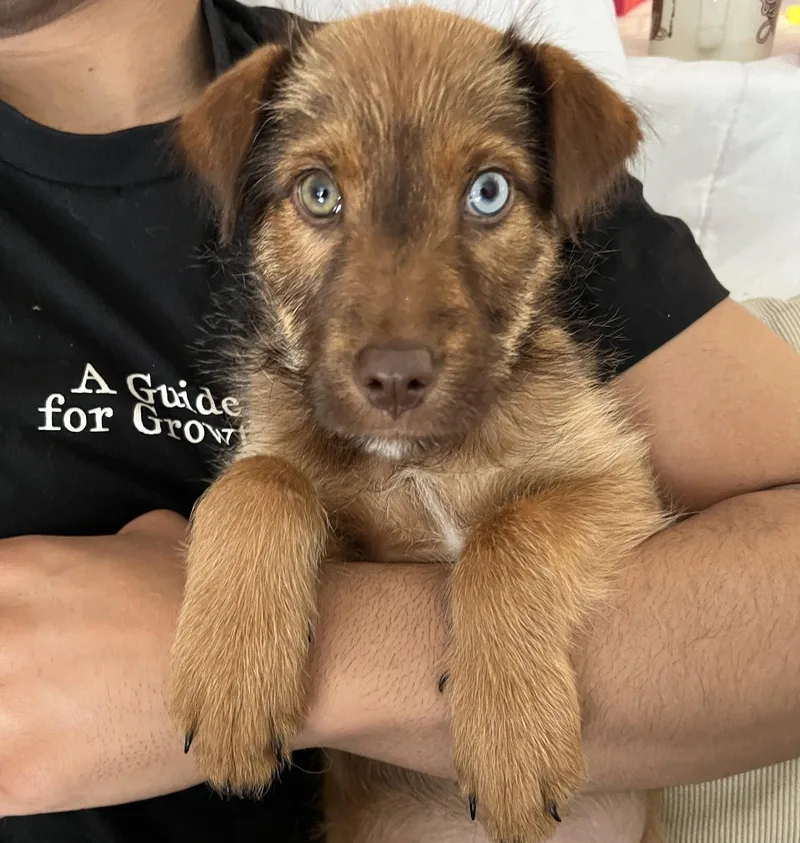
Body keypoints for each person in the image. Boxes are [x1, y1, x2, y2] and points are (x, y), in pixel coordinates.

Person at [1, 1, 798, 842]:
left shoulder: (469, 101)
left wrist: (359, 651)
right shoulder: (266, 119)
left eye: (486, 193)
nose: (395, 343)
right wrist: (253, 511)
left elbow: (631, 507)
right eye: (319, 192)